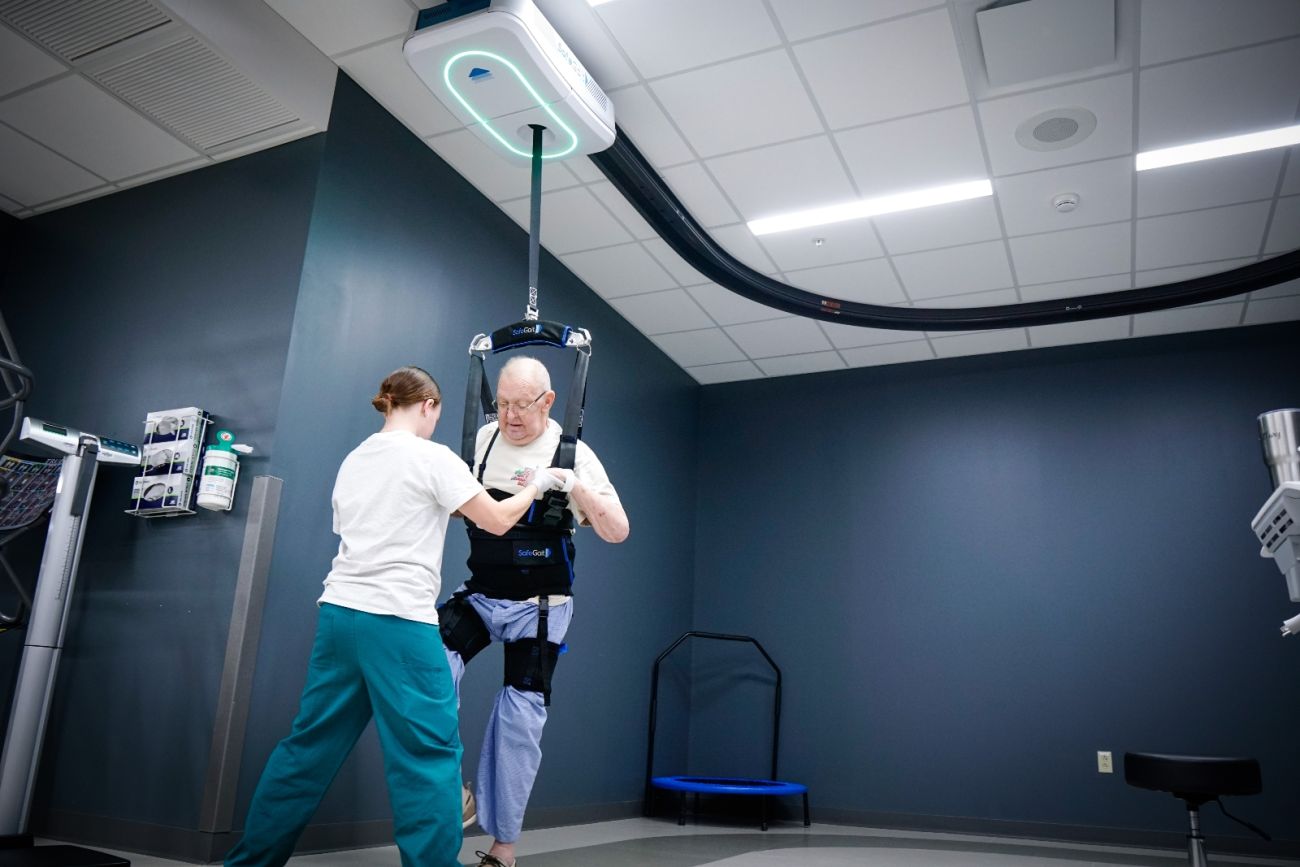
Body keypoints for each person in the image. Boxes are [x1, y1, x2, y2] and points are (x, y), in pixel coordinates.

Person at [225, 366, 563, 867]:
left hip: (340, 616)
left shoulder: (356, 459)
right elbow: (496, 521)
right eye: (436, 415)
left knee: (307, 749)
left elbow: (384, 518)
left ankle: (248, 863)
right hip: (400, 622)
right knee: (427, 758)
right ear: (428, 406)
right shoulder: (433, 457)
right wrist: (538, 485)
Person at [439, 356, 630, 867]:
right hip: (481, 593)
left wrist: (571, 485)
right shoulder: (481, 442)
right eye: (500, 404)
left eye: (520, 405)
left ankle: (503, 850)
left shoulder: (574, 452)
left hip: (540, 609)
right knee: (428, 669)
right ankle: (450, 791)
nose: (508, 416)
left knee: (519, 721)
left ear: (547, 402)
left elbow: (618, 530)